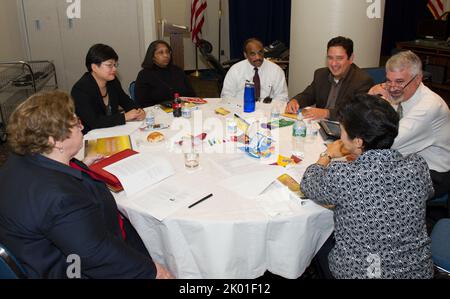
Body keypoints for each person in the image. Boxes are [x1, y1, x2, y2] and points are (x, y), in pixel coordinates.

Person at [0, 91, 172, 279]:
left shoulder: (20, 160)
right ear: (55, 141)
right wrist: (154, 271)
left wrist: (81, 165)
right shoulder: (60, 198)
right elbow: (97, 255)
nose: (82, 126)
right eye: (75, 123)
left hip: (34, 254)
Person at [300, 93, 434, 279]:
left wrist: (327, 155)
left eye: (343, 130)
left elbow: (308, 183)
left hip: (364, 273)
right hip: (417, 272)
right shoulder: (417, 166)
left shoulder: (343, 175)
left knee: (314, 243)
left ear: (358, 142)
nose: (340, 134)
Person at [368, 50, 450, 197]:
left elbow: (387, 143)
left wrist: (381, 106)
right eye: (388, 81)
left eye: (399, 82)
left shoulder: (429, 107)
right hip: (407, 160)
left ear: (418, 79)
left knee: (373, 189)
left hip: (434, 172)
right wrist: (372, 98)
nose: (392, 88)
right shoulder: (402, 93)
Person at [285, 36, 373, 120]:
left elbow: (356, 113)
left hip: (344, 130)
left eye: (339, 58)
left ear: (351, 58)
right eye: (330, 58)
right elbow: (308, 95)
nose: (334, 63)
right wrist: (295, 101)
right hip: (318, 125)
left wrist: (326, 113)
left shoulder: (362, 80)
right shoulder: (320, 74)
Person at [71, 43, 145, 134]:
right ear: (94, 67)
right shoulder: (80, 89)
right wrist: (124, 117)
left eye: (115, 64)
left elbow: (126, 101)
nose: (114, 69)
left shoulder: (112, 81)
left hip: (112, 131)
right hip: (90, 137)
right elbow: (94, 122)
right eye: (109, 65)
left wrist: (139, 110)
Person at [221, 38, 288, 102]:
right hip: (241, 109)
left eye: (260, 52)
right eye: (253, 54)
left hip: (268, 110)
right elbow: (226, 96)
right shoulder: (235, 70)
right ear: (245, 55)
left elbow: (282, 97)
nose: (258, 57)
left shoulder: (276, 71)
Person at [135, 40, 196, 108]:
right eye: (161, 53)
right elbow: (141, 103)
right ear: (152, 56)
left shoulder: (178, 70)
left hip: (182, 110)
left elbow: (192, 94)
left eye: (167, 52)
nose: (166, 55)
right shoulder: (144, 75)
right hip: (157, 113)